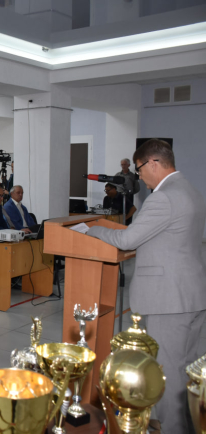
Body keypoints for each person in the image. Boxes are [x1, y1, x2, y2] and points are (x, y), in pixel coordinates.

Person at [86, 139, 206, 433]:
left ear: (153, 163)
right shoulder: (190, 189)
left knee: (170, 370)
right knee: (189, 367)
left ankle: (173, 427)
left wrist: (93, 230)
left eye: (139, 169)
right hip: (191, 294)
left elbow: (127, 240)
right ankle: (185, 422)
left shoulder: (163, 197)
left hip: (169, 299)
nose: (139, 176)